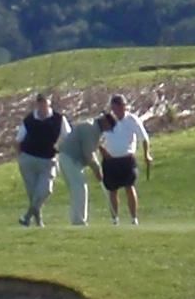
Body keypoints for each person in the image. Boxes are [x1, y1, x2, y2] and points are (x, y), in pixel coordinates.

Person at [95, 94, 154, 226]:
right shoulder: (106, 120)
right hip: (110, 160)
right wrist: (102, 151)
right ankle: (115, 219)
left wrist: (146, 155)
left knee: (129, 187)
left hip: (127, 159)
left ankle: (134, 218)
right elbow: (97, 139)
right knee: (112, 190)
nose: (119, 110)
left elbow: (143, 138)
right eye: (116, 107)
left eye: (122, 106)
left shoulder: (132, 119)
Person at [14, 95, 63, 227]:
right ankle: (38, 221)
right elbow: (18, 141)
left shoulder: (59, 119)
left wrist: (61, 149)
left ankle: (27, 216)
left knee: (46, 190)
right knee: (33, 194)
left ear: (49, 104)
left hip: (48, 160)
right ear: (37, 105)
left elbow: (68, 137)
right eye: (40, 105)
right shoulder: (29, 120)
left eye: (45, 105)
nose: (43, 108)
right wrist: (20, 159)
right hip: (28, 159)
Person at [57, 103, 103, 228]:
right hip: (70, 159)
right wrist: (97, 169)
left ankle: (78, 219)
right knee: (80, 188)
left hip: (68, 159)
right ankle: (78, 221)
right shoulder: (90, 129)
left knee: (78, 188)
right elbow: (88, 154)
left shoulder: (92, 128)